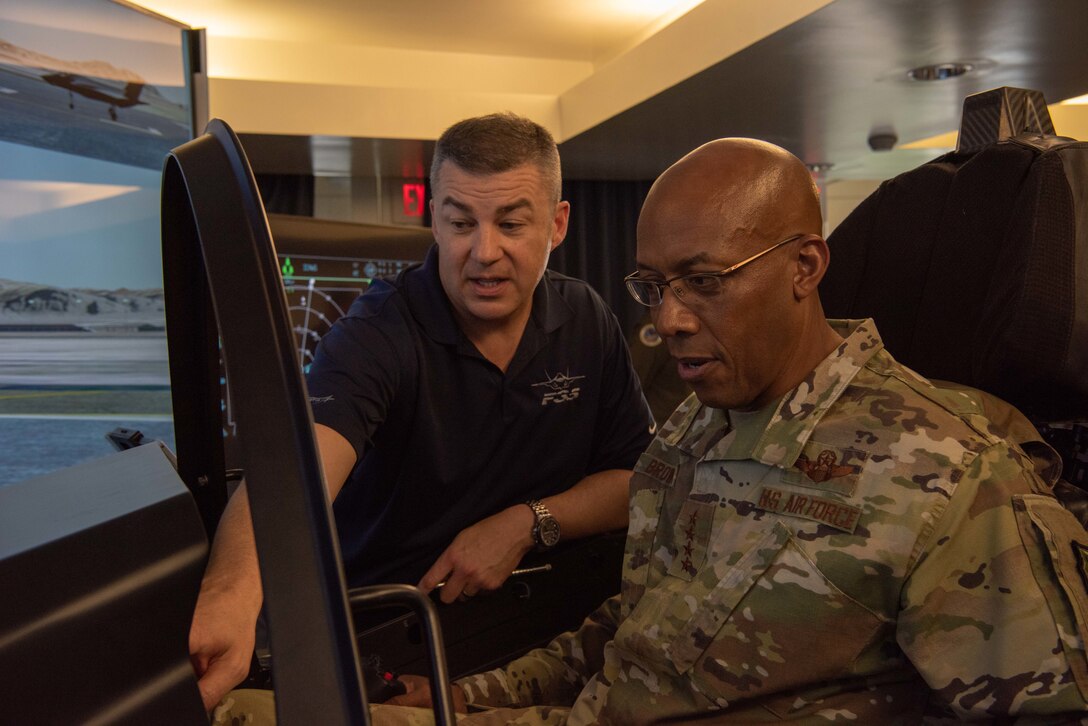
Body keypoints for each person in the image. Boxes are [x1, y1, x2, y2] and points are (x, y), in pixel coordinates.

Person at [378, 138, 1088, 724]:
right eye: (654, 288)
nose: (669, 321)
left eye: (705, 282)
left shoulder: (950, 475)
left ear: (803, 267)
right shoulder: (694, 428)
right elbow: (632, 628)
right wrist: (467, 695)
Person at [191, 112, 653, 712]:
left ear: (558, 224)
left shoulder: (586, 317)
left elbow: (637, 480)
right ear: (433, 218)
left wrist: (526, 522)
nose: (484, 253)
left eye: (511, 223)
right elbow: (296, 472)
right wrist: (231, 594)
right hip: (395, 635)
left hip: (549, 625)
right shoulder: (380, 331)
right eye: (461, 222)